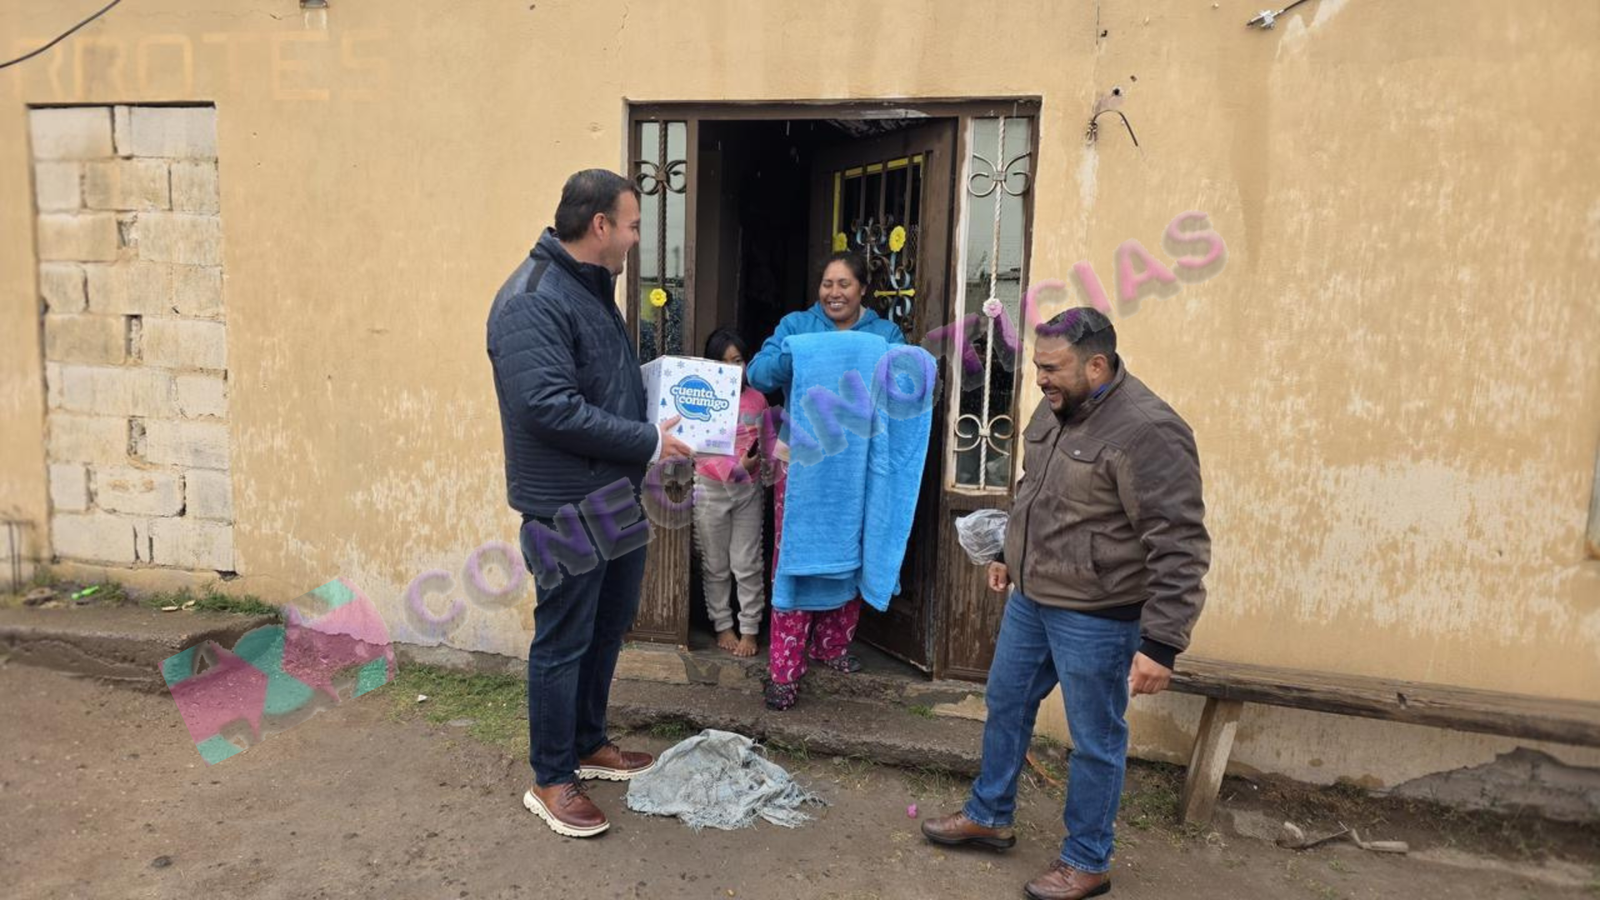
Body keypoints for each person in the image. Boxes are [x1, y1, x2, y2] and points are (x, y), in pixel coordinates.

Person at [921, 308, 1210, 900]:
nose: (1040, 380)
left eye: (1052, 368)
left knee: (1095, 738)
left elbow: (1179, 542)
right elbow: (1036, 490)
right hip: (1033, 598)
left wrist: (1162, 643)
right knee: (1005, 702)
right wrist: (1008, 551)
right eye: (1036, 366)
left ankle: (1086, 860)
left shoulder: (1149, 432)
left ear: (1097, 364)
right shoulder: (1056, 405)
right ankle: (991, 814)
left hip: (1099, 615)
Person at [486, 169, 693, 839]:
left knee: (607, 627)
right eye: (633, 224)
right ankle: (551, 777)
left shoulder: (589, 291)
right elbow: (548, 407)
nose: (637, 238)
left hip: (612, 496)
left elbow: (597, 383)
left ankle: (587, 742)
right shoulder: (532, 299)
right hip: (566, 507)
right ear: (600, 225)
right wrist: (648, 439)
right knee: (564, 639)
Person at [746, 251, 905, 711]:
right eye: (827, 284)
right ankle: (784, 670)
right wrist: (792, 355)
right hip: (802, 465)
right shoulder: (798, 327)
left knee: (849, 554)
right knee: (793, 558)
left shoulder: (882, 335)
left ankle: (831, 648)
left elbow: (907, 383)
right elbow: (758, 373)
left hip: (857, 465)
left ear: (862, 290)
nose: (834, 293)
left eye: (844, 285)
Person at [692, 326, 770, 658]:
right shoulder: (700, 397)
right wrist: (733, 467)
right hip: (710, 489)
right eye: (724, 363)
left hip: (748, 491)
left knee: (748, 562)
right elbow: (695, 448)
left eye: (738, 360)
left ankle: (750, 629)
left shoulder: (757, 398)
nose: (733, 369)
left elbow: (766, 440)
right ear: (711, 366)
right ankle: (722, 625)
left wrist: (755, 463)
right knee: (715, 564)